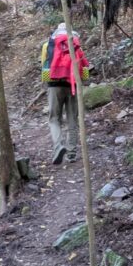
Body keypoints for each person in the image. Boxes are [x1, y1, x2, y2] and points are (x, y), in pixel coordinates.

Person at [40, 23, 90, 164]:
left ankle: (58, 147)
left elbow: (44, 65)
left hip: (54, 85)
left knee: (54, 118)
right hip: (73, 84)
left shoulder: (48, 44)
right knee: (72, 118)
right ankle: (72, 152)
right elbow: (84, 64)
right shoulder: (75, 43)